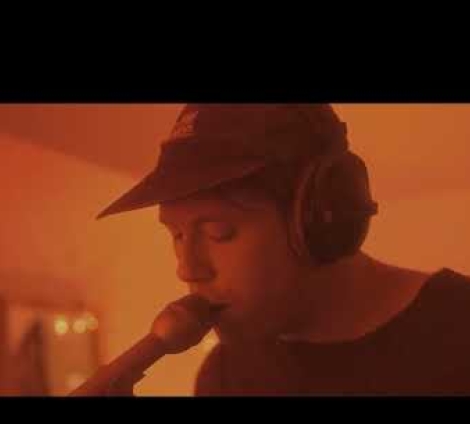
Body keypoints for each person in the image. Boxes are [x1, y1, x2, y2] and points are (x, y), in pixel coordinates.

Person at [74, 104, 470, 397]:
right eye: (176, 235)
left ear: (323, 217)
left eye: (218, 232)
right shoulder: (223, 375)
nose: (187, 269)